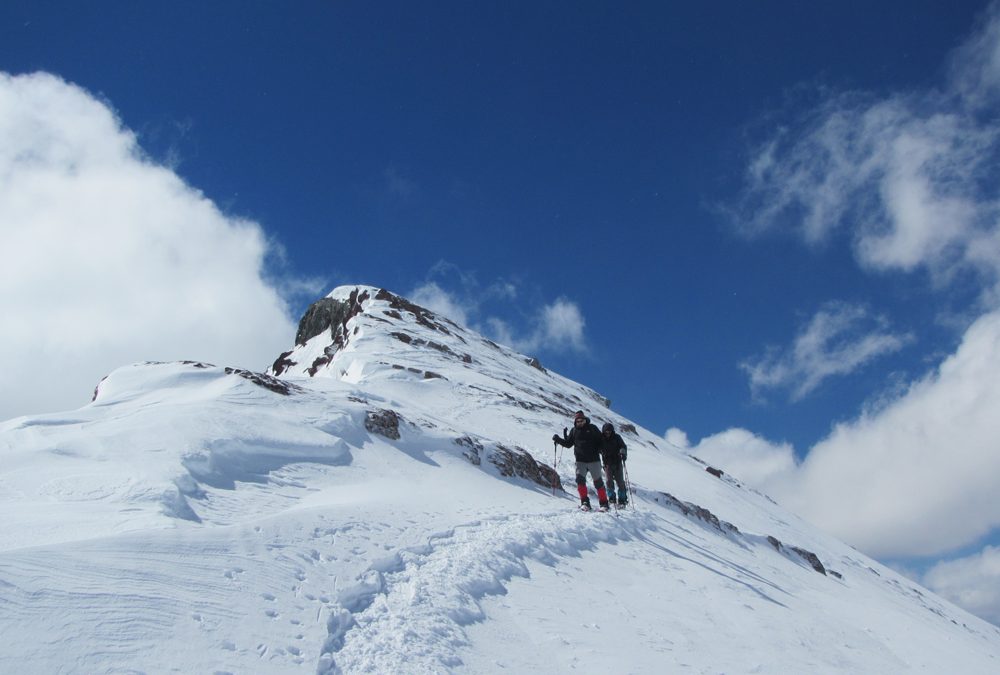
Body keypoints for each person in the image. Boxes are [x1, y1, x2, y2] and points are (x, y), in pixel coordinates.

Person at [553, 411, 610, 511]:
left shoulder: (592, 428)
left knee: (598, 483)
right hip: (580, 461)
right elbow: (568, 444)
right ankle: (585, 502)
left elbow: (601, 441)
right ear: (575, 421)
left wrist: (603, 450)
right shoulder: (574, 431)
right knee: (580, 481)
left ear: (585, 419)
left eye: (581, 420)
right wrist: (558, 440)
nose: (580, 422)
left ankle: (604, 504)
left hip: (594, 460)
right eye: (578, 421)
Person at [600, 422, 628, 507]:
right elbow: (597, 447)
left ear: (612, 431)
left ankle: (622, 500)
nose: (608, 433)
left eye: (609, 431)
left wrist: (623, 453)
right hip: (607, 463)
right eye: (606, 431)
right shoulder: (601, 439)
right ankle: (611, 498)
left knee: (620, 482)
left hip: (617, 462)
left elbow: (623, 446)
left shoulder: (617, 438)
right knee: (609, 481)